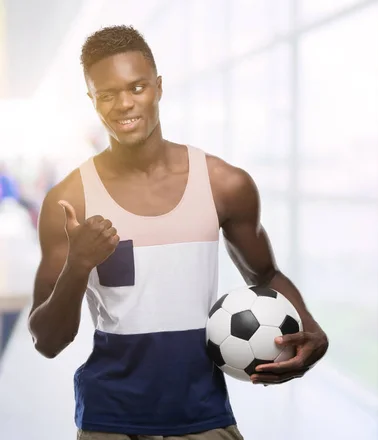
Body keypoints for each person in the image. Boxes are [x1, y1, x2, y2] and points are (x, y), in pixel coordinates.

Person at [27, 25, 329, 440]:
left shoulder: (224, 184)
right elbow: (47, 340)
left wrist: (312, 332)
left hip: (204, 415)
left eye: (137, 87)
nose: (124, 104)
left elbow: (264, 276)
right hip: (109, 421)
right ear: (93, 102)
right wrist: (78, 265)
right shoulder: (70, 199)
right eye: (107, 94)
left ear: (159, 87)